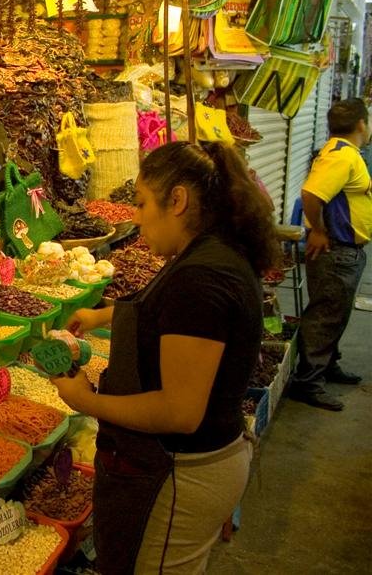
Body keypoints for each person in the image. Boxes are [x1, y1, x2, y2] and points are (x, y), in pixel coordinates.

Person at [56, 141, 279, 575]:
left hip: (182, 474)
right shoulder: (213, 252)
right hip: (201, 463)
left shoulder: (201, 278)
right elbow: (165, 314)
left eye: (141, 203)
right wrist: (106, 314)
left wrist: (86, 401)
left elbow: (179, 412)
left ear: (177, 200)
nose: (135, 217)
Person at [288, 98, 371, 411]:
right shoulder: (341, 156)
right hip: (336, 251)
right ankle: (308, 382)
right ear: (362, 124)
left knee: (335, 312)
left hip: (346, 251)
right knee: (325, 315)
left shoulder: (344, 153)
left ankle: (327, 364)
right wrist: (320, 231)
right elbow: (311, 193)